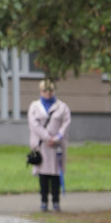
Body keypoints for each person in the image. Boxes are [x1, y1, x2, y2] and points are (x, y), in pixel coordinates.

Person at [28, 79, 71, 212]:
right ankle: (44, 202)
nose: (48, 93)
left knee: (56, 174)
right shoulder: (35, 106)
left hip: (57, 145)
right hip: (42, 145)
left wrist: (57, 137)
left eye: (50, 90)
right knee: (44, 175)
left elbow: (66, 123)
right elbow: (34, 124)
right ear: (40, 91)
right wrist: (47, 137)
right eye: (45, 91)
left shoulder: (62, 106)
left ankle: (56, 202)